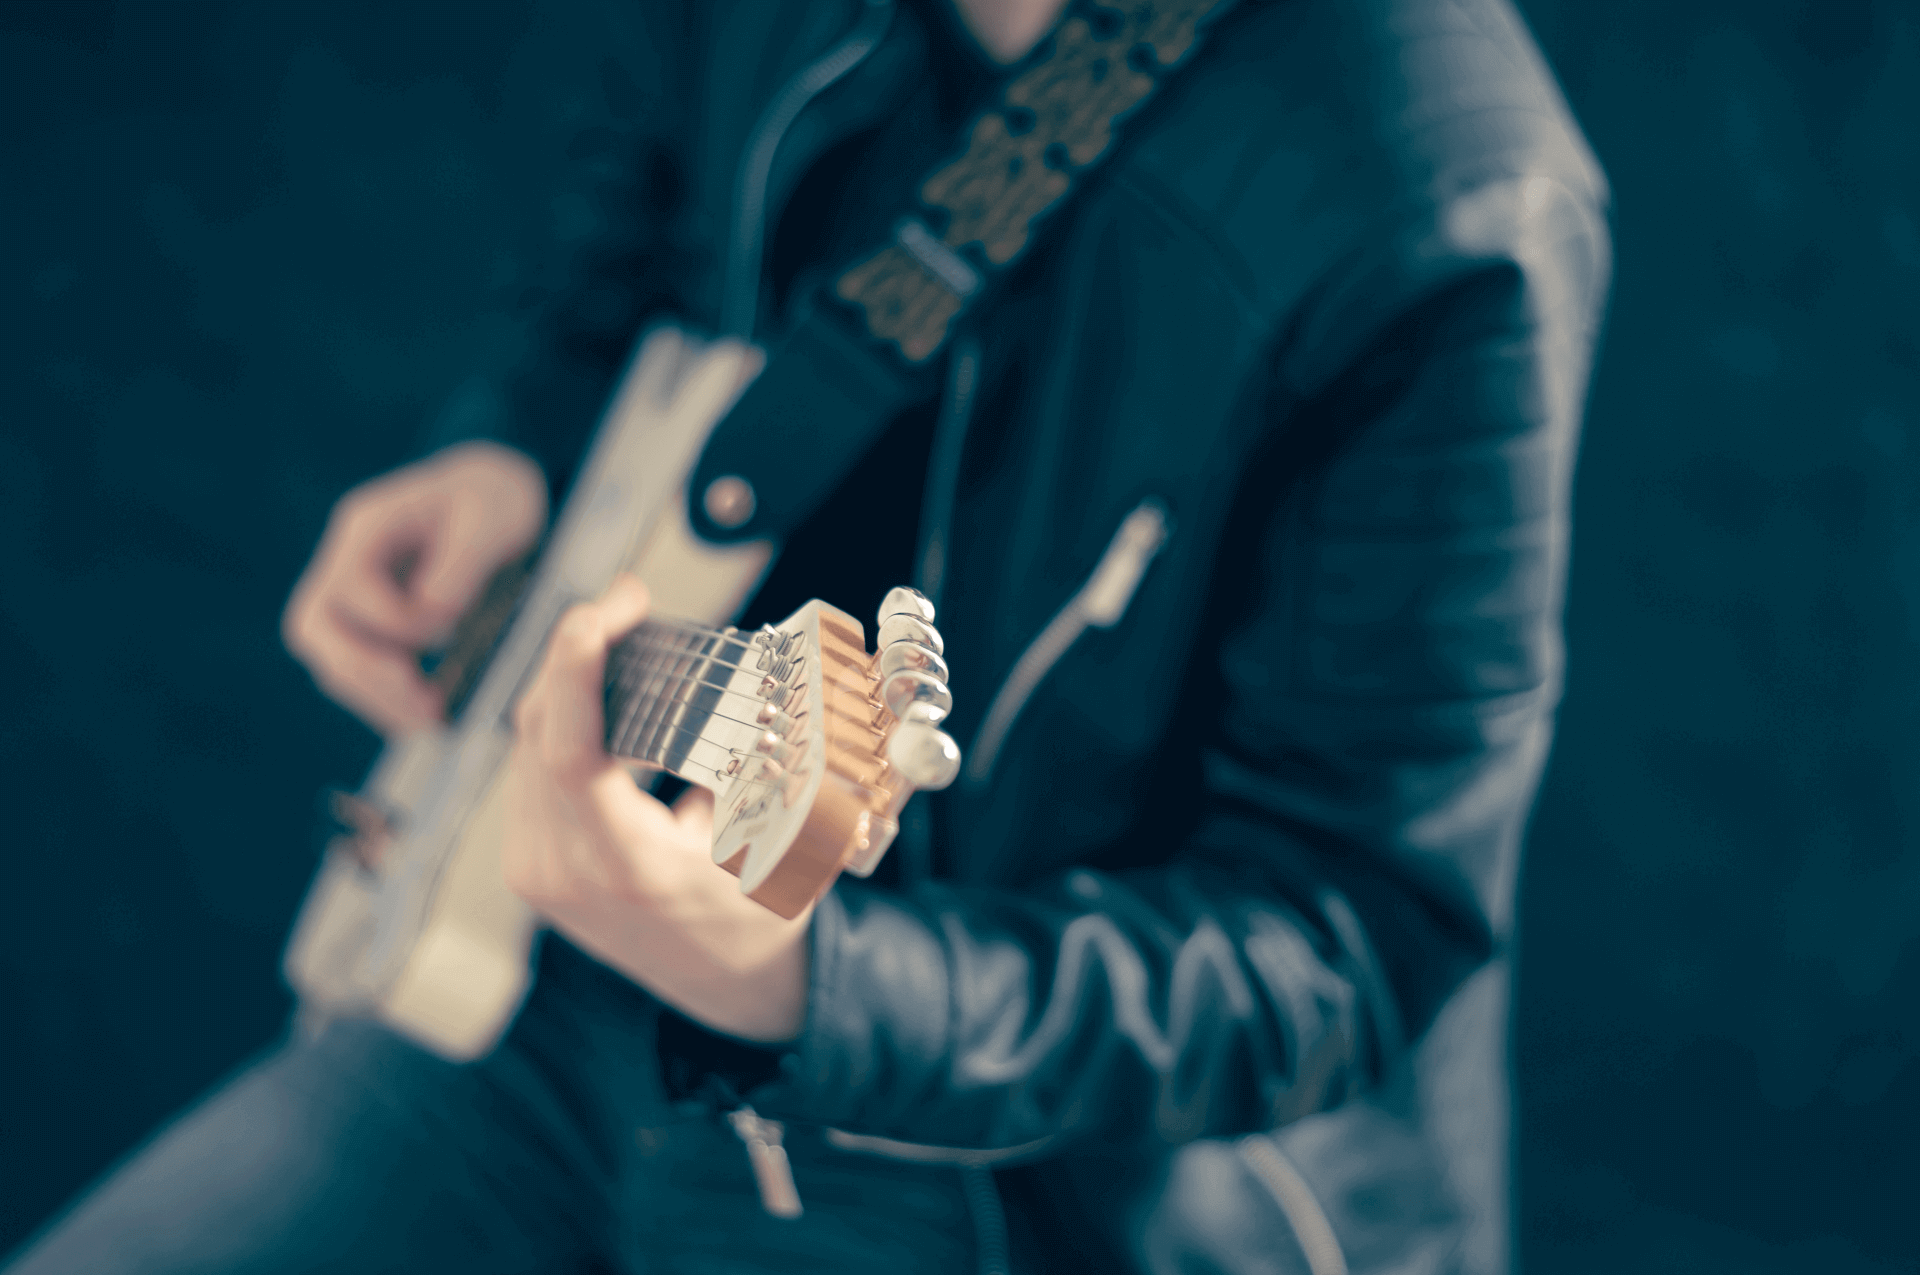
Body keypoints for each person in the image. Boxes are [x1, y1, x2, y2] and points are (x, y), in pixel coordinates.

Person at [4, 0, 1609, 1271]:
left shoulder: (1444, 194)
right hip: (547, 1007)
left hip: (1044, 1188)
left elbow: (1336, 939)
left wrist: (794, 977)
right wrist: (512, 448)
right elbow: (635, 217)